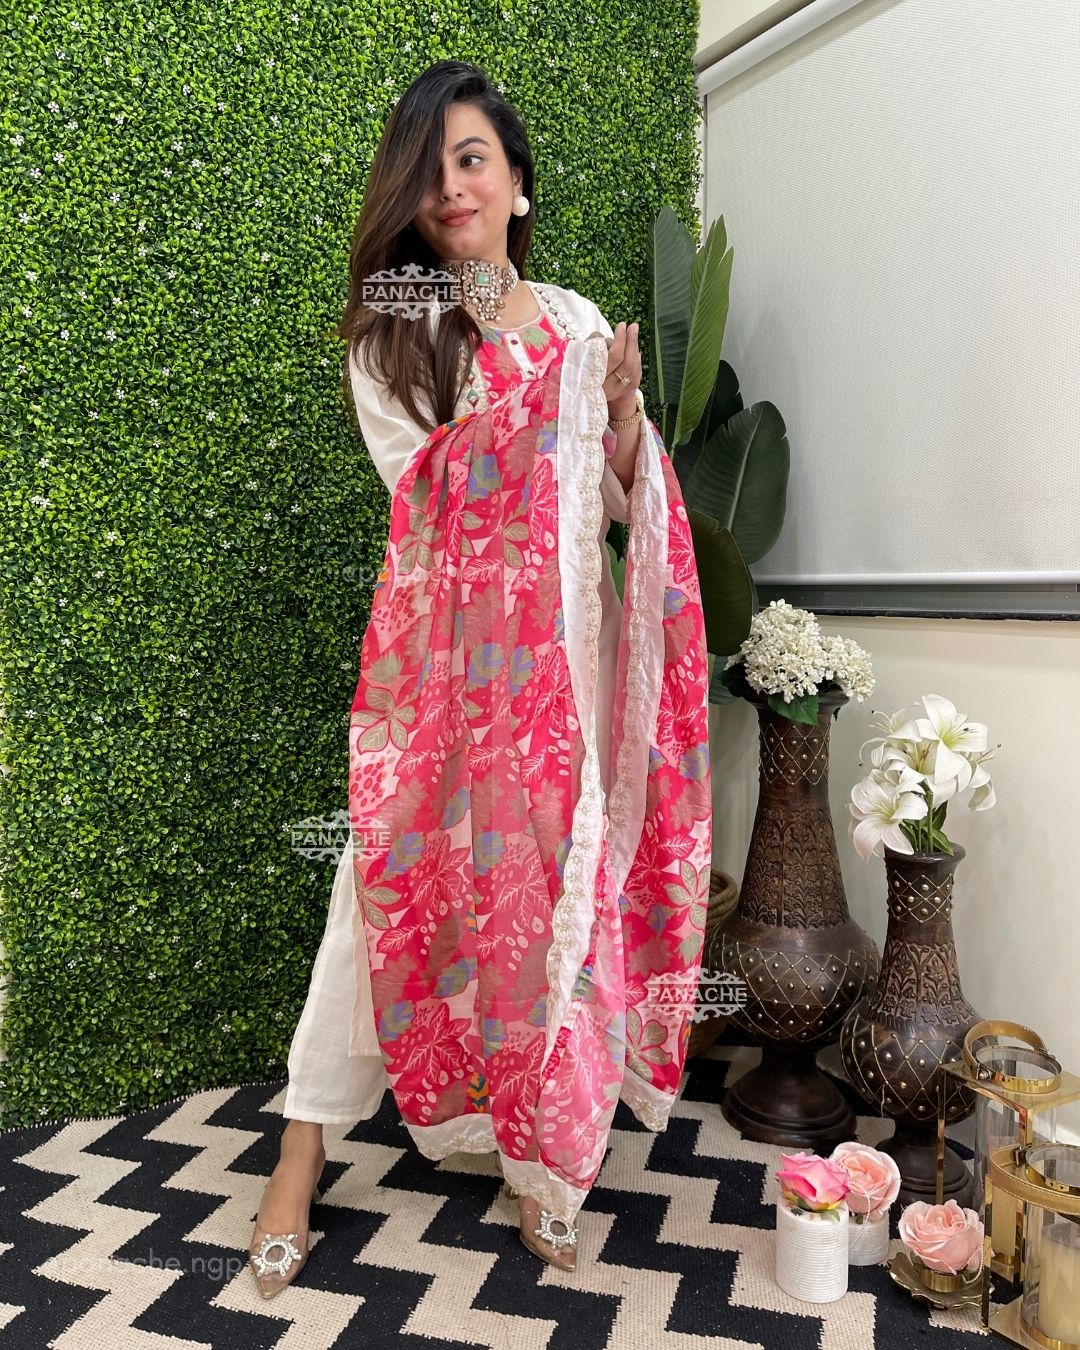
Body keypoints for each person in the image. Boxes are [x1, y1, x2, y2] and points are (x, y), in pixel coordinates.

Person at [247, 59, 712, 1295]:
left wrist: (618, 415)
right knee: (382, 886)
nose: (452, 186)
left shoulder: (572, 319)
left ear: (516, 184)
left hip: (569, 676)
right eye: (431, 166)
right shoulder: (395, 336)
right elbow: (423, 498)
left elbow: (623, 504)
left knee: (551, 906)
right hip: (451, 670)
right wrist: (547, 415)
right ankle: (298, 1155)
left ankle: (540, 1162)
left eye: (474, 159)